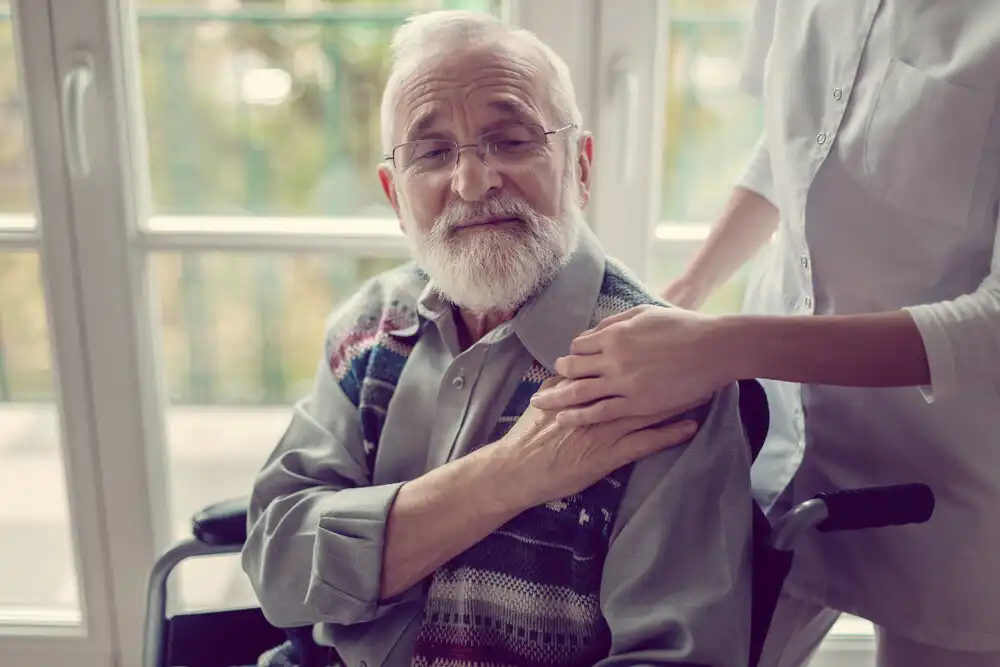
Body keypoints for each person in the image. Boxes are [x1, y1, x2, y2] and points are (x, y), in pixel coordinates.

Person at [241, 10, 753, 667]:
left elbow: (678, 657)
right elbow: (279, 571)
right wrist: (508, 476)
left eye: (510, 140)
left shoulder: (659, 373)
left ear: (581, 166)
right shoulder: (368, 327)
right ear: (395, 196)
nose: (473, 180)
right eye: (432, 152)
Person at [531, 1, 1000, 666]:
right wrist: (685, 293)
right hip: (784, 430)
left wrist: (721, 344)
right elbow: (800, 145)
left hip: (951, 475)